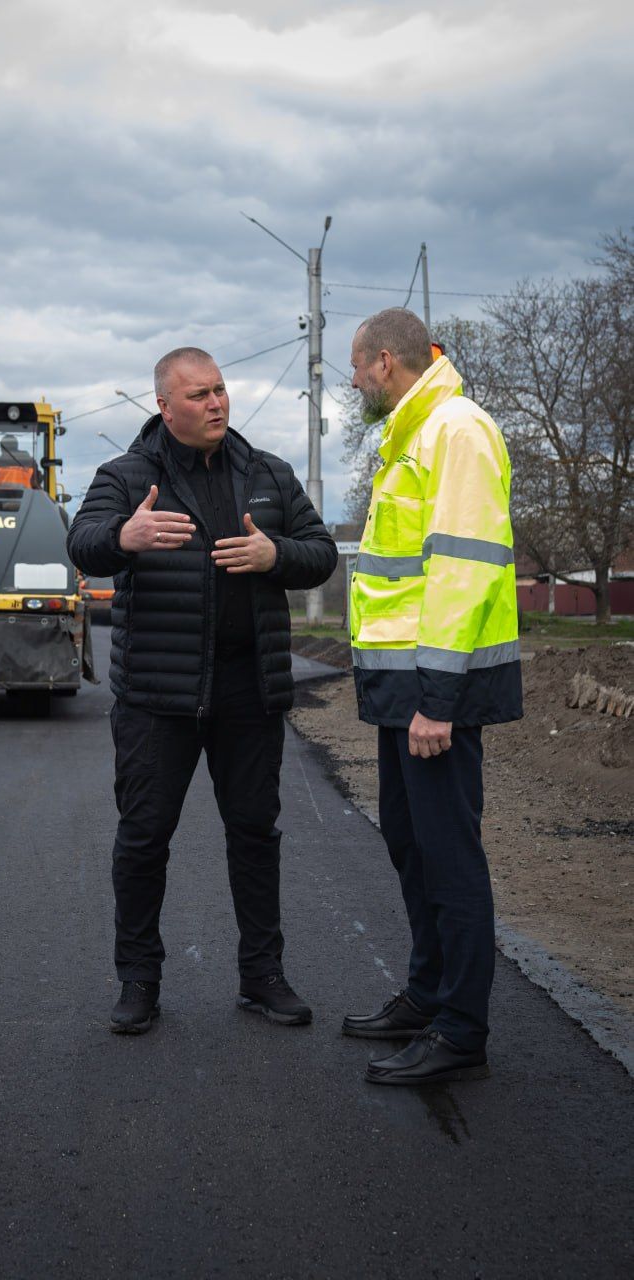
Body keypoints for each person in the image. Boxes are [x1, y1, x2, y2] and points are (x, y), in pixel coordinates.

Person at [67, 347, 337, 1034]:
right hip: (158, 696)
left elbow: (321, 553)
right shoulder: (127, 476)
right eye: (198, 395)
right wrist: (125, 536)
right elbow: (83, 542)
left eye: (220, 390)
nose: (216, 403)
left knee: (254, 834)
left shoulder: (268, 473)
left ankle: (262, 975)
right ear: (165, 406)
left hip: (249, 690)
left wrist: (275, 554)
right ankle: (139, 980)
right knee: (144, 838)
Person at [342, 309, 521, 1085]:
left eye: (356, 368)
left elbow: (463, 569)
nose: (353, 382)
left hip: (433, 687)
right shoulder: (410, 434)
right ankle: (426, 994)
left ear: (384, 361)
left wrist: (438, 699)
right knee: (411, 845)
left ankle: (460, 1030)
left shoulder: (456, 430)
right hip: (404, 685)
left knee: (448, 857)